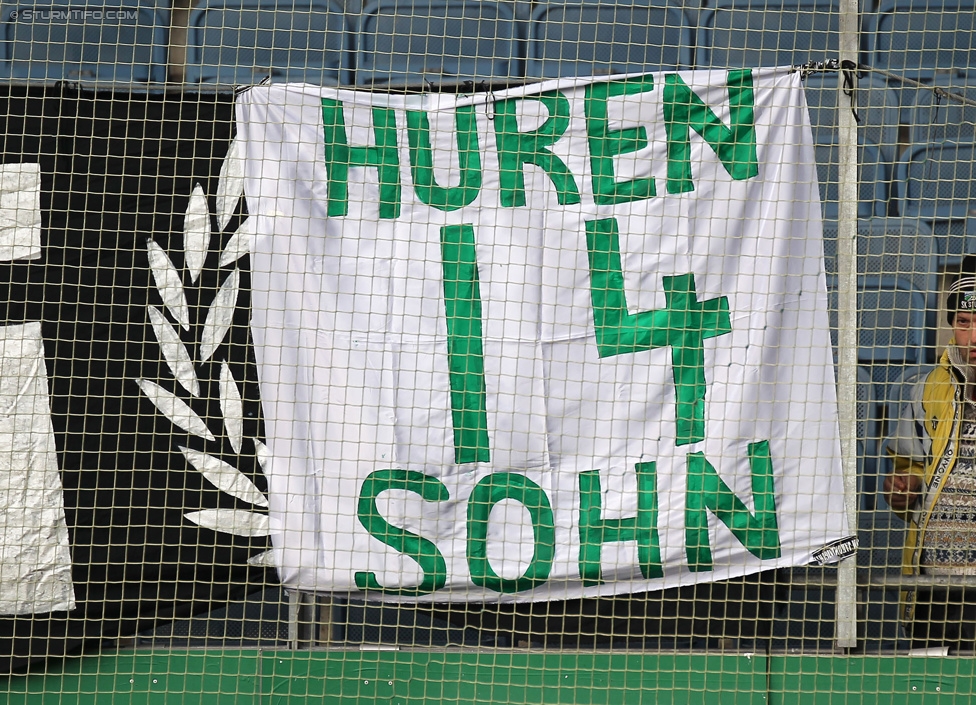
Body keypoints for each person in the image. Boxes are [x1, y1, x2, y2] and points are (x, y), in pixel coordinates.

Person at [884, 255, 976, 652]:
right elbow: (910, 473)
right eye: (964, 323)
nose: (973, 338)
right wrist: (903, 488)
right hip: (934, 584)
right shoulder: (928, 389)